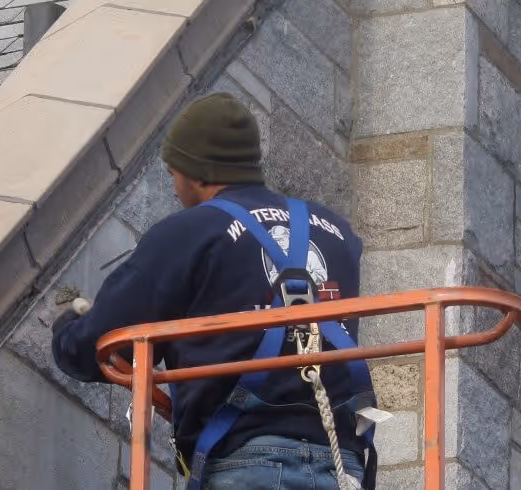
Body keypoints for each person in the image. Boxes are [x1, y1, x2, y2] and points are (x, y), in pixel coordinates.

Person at [51, 93, 377, 490]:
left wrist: (66, 328)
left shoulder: (187, 232)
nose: (173, 186)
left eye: (174, 172)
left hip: (247, 463)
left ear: (199, 173)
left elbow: (96, 343)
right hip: (342, 465)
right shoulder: (336, 233)